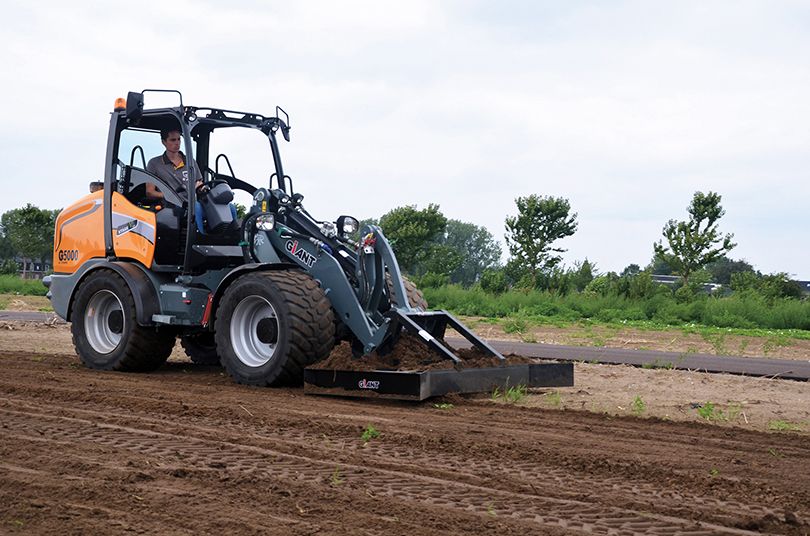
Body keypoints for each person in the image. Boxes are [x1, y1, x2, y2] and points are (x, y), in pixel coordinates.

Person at [146, 127, 236, 234]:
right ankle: (199, 240)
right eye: (173, 140)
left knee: (230, 208)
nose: (177, 143)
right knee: (196, 208)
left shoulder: (190, 162)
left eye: (179, 139)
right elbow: (150, 192)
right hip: (172, 205)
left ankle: (231, 238)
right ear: (163, 142)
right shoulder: (154, 164)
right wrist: (170, 194)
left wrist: (201, 188)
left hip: (193, 201)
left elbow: (199, 183)